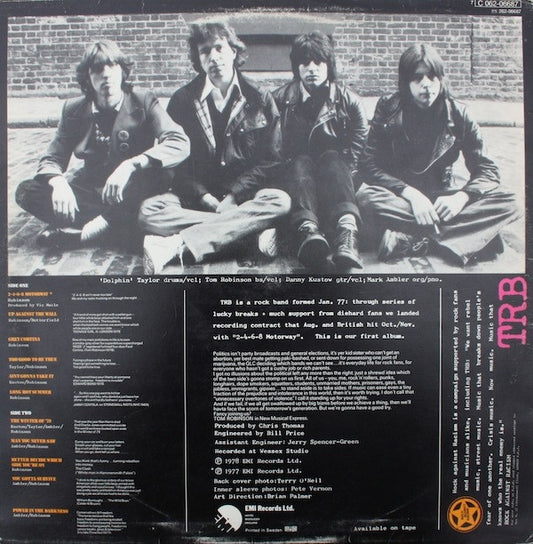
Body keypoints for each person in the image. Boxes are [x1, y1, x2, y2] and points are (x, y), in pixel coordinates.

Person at [139, 21, 290, 274]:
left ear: (234, 51)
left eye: (219, 48)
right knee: (148, 212)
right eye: (205, 51)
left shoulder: (260, 98)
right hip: (197, 199)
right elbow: (176, 164)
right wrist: (204, 197)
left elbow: (272, 160)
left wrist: (234, 196)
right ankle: (250, 233)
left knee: (280, 202)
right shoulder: (182, 100)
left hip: (244, 198)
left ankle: (176, 244)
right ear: (198, 59)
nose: (213, 57)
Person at [15, 40, 190, 249]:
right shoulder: (73, 109)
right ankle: (119, 226)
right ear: (87, 77)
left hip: (132, 188)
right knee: (27, 191)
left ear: (122, 71)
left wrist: (131, 165)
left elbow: (178, 141)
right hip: (93, 192)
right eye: (97, 68)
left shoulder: (143, 101)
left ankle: (88, 232)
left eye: (112, 66)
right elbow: (52, 158)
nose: (106, 74)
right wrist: (58, 183)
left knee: (163, 173)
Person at [357, 43, 520, 266]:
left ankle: (417, 241)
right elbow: (367, 164)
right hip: (401, 198)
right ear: (405, 82)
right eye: (417, 78)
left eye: (432, 77)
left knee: (510, 200)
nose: (426, 84)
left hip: (443, 199)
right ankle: (468, 237)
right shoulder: (389, 107)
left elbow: (488, 170)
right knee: (365, 198)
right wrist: (411, 194)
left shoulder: (459, 114)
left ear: (441, 79)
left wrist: (461, 198)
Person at [273, 30, 368, 270]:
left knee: (333, 158)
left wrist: (344, 176)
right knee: (300, 161)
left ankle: (347, 236)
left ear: (329, 65)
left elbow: (357, 153)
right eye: (305, 63)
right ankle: (309, 235)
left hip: (337, 180)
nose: (312, 69)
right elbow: (275, 150)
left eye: (319, 62)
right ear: (296, 67)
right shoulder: (280, 100)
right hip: (298, 181)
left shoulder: (349, 101)